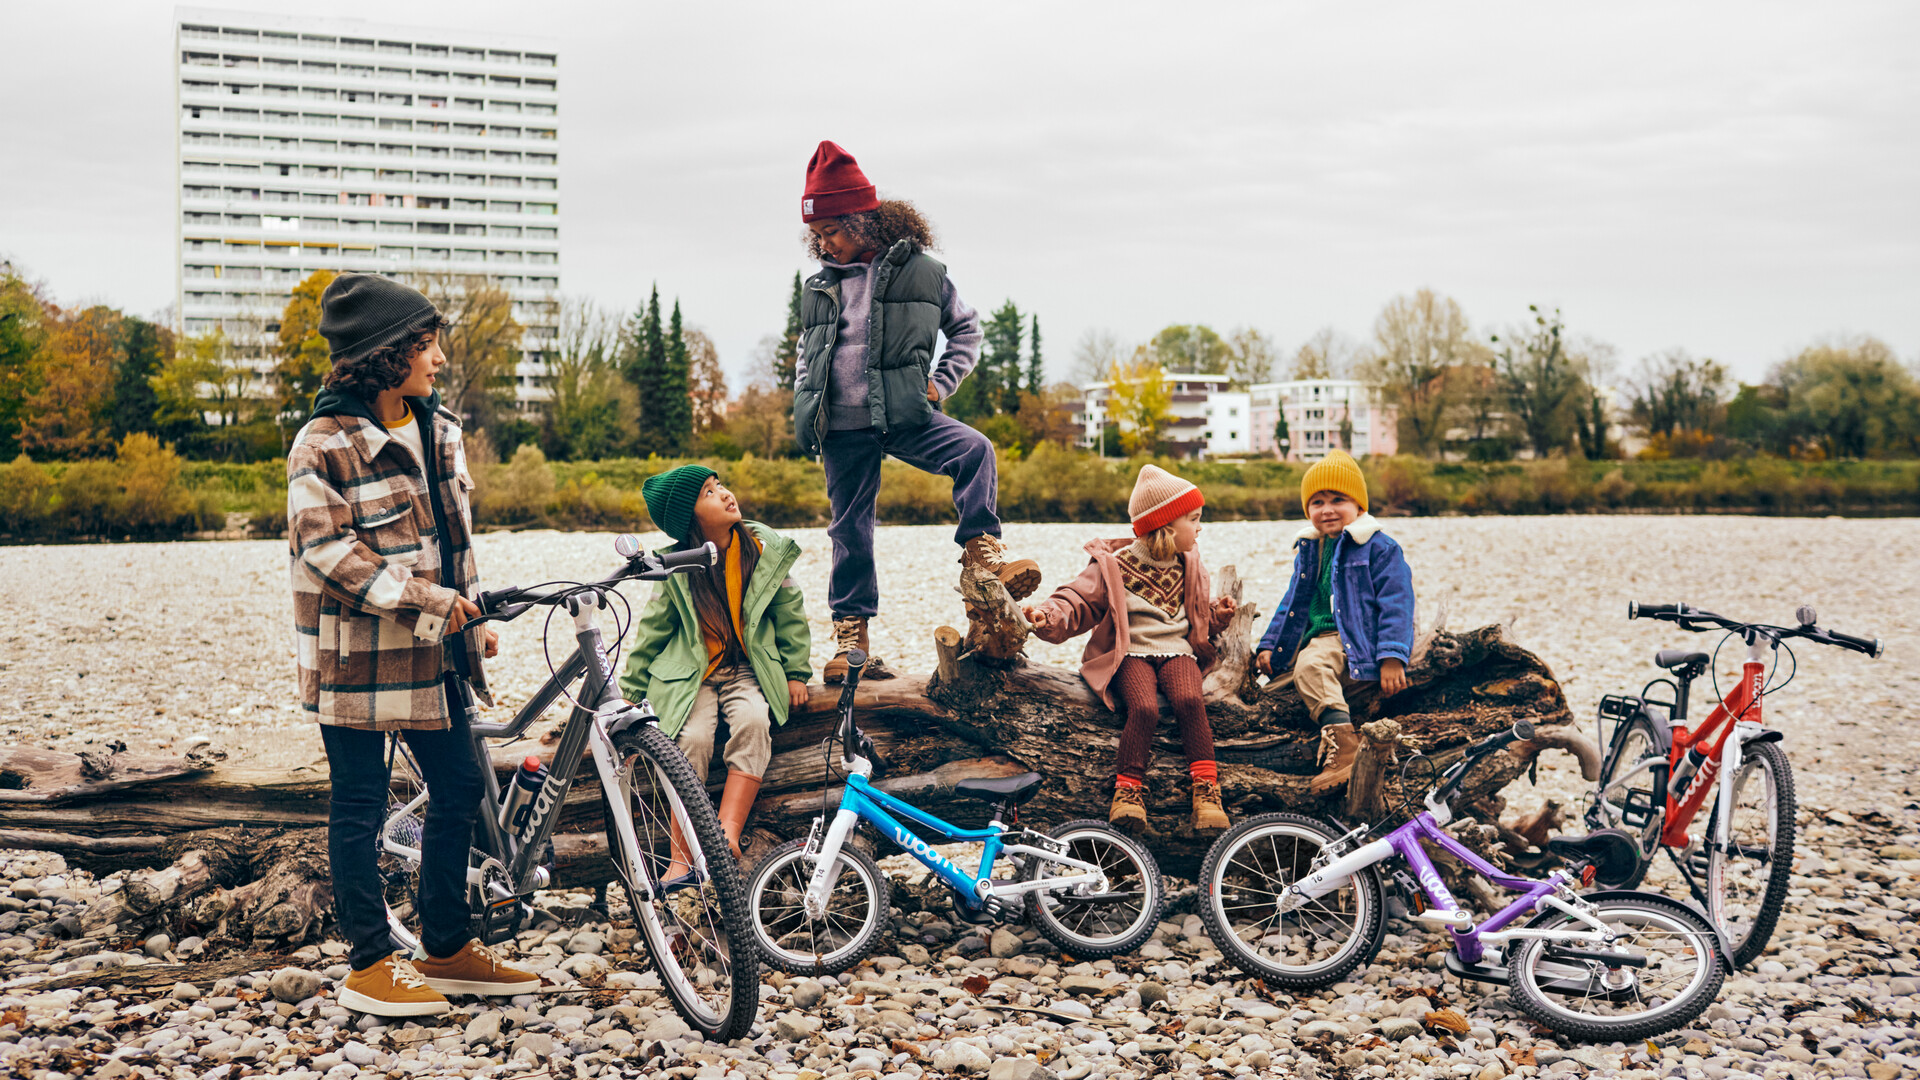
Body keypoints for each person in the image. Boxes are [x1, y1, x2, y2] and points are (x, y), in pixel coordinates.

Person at [287, 272, 537, 1018]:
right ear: (384, 355)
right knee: (359, 803)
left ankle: (448, 949)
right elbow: (329, 556)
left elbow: (457, 539)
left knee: (462, 787)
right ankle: (369, 963)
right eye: (425, 345)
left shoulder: (439, 429)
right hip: (354, 656)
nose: (437, 359)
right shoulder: (321, 445)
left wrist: (476, 613)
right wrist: (434, 602)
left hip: (434, 652)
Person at [792, 140, 1040, 683]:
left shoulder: (922, 272)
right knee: (850, 530)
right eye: (817, 234)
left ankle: (981, 554)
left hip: (902, 411)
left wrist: (941, 383)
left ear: (863, 219)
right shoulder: (818, 286)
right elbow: (807, 353)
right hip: (841, 426)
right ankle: (851, 643)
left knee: (974, 450)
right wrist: (806, 400)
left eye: (832, 229)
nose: (824, 243)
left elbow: (968, 331)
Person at [1022, 466, 1237, 834]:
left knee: (1189, 700)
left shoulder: (1189, 564)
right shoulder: (1114, 566)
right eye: (1194, 519)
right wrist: (1047, 615)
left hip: (1177, 650)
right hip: (1131, 653)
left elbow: (1199, 611)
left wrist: (1217, 615)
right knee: (1143, 708)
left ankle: (1205, 789)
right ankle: (1128, 791)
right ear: (1166, 524)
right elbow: (1078, 599)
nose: (1200, 528)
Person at [620, 465, 813, 873]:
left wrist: (797, 671)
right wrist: (631, 692)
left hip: (748, 668)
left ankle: (727, 831)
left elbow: (790, 611)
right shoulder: (675, 565)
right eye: (709, 492)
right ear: (691, 519)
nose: (725, 494)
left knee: (754, 721)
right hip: (694, 676)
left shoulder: (761, 549)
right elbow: (653, 629)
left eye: (720, 484)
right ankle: (681, 855)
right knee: (690, 739)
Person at [1254, 449, 1416, 794]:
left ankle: (1344, 745)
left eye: (1338, 499)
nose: (1327, 510)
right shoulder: (1310, 549)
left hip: (1351, 637)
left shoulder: (1377, 547)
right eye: (1317, 502)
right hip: (1312, 640)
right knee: (1269, 694)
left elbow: (1397, 603)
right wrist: (1270, 644)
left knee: (1311, 668)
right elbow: (1292, 602)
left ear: (1359, 506)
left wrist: (1391, 657)